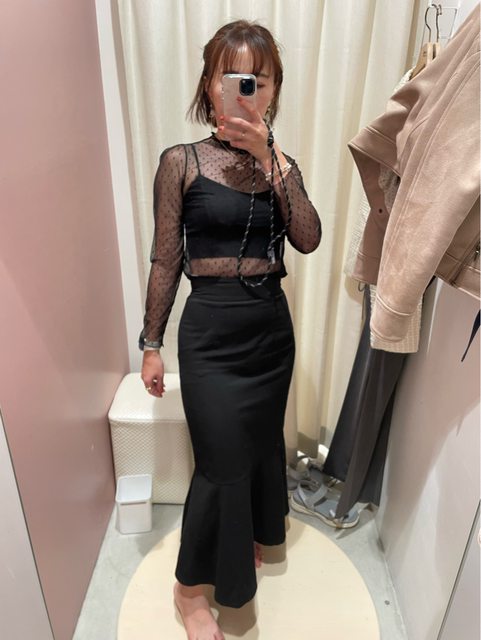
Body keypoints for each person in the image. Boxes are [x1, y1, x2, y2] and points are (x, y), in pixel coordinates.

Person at [138, 19, 321, 640]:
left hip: (270, 334)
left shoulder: (282, 166)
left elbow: (308, 238)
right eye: (234, 76)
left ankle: (245, 538)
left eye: (260, 80)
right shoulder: (181, 162)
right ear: (210, 85)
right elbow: (166, 259)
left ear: (273, 91)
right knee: (219, 462)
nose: (248, 89)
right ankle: (190, 591)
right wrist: (151, 344)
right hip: (210, 336)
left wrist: (271, 160)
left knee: (258, 443)